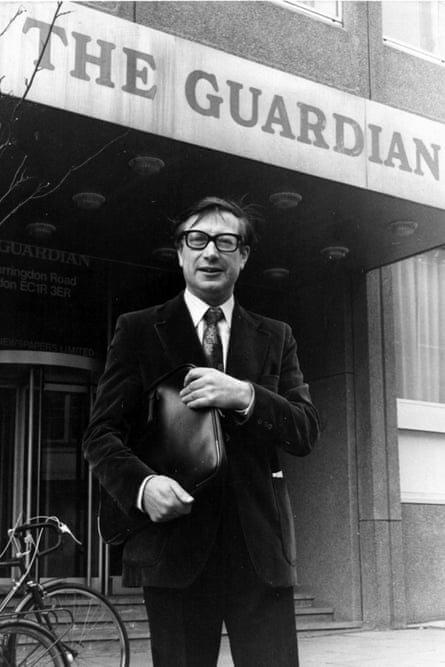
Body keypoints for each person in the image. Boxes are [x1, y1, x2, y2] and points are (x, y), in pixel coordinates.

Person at [83, 196, 320, 667]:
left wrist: (246, 395)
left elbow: (306, 430)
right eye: (198, 240)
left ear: (244, 255)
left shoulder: (277, 336)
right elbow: (101, 433)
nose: (211, 252)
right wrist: (143, 486)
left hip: (260, 555)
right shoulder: (138, 330)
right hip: (176, 552)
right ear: (180, 253)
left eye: (225, 241)